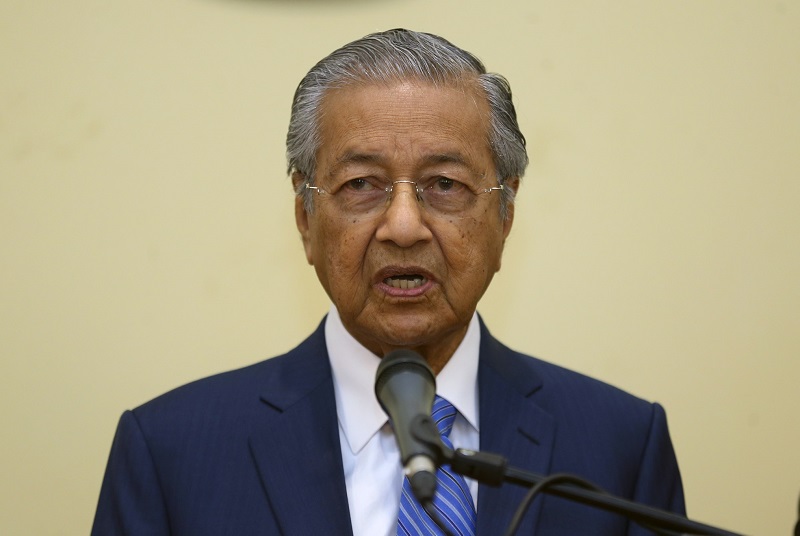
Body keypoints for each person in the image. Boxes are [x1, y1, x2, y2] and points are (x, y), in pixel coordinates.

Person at [92, 29, 684, 535]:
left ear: (505, 216)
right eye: (361, 185)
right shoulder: (169, 453)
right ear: (305, 218)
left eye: (445, 184)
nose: (403, 227)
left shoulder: (620, 446)